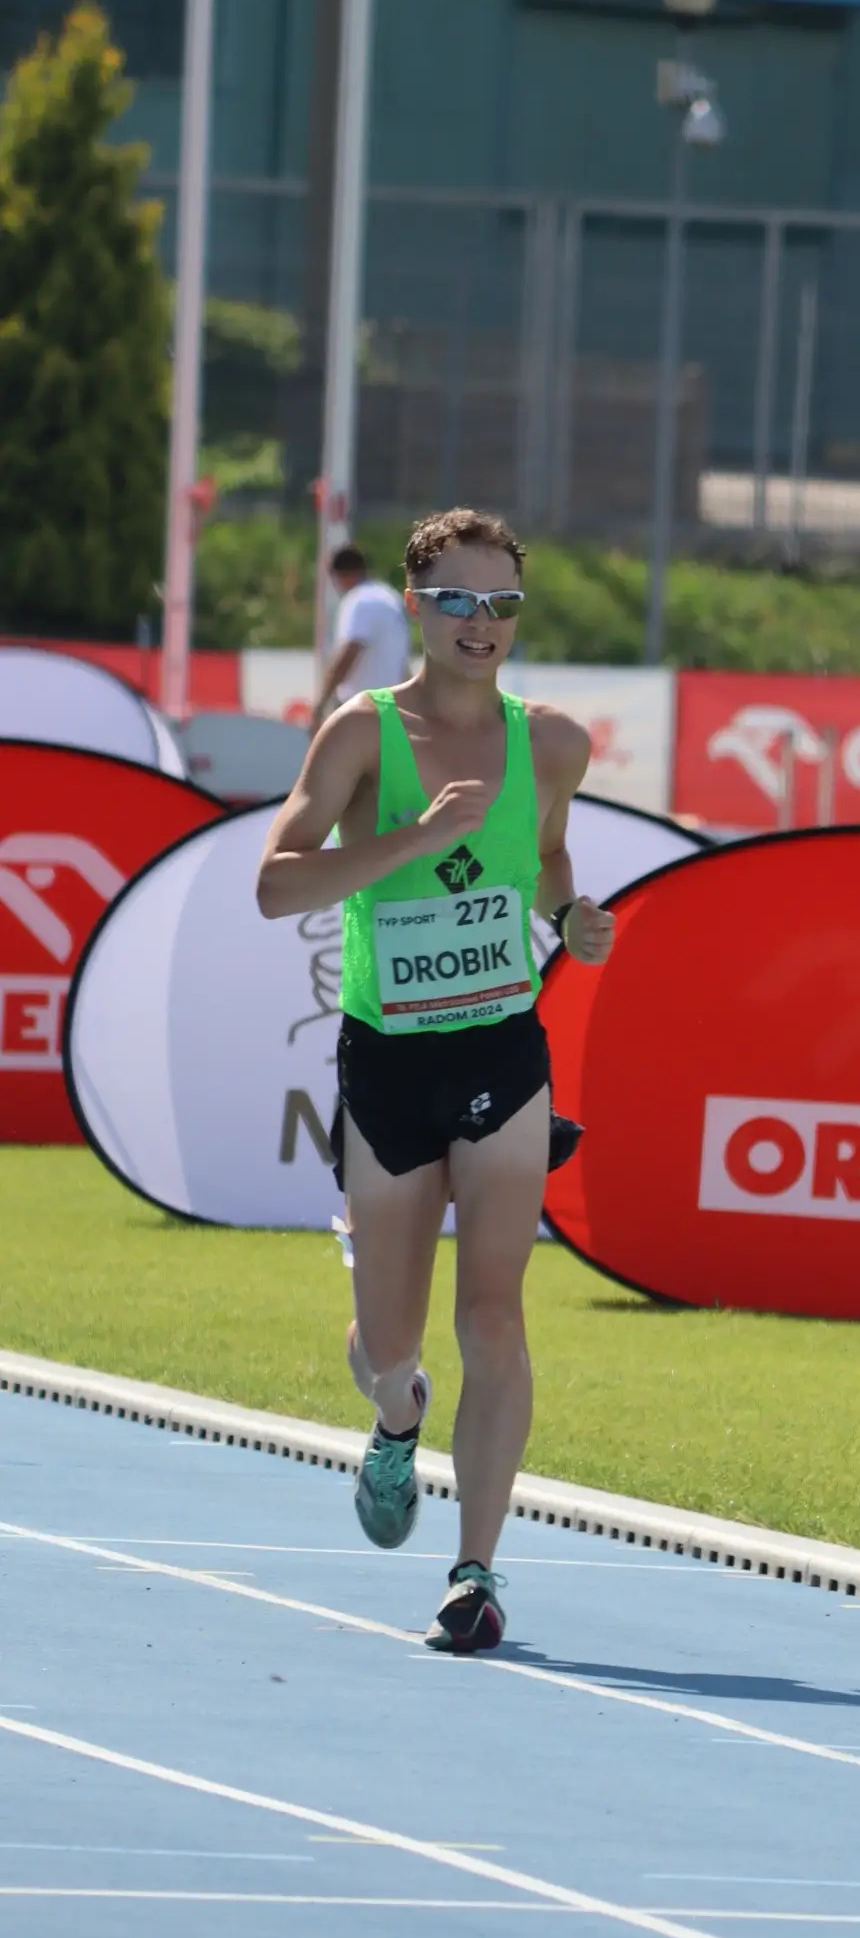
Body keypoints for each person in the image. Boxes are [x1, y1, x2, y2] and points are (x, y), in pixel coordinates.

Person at [257, 507, 614, 1654]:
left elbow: (546, 856)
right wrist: (410, 844)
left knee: (495, 1312)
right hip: (388, 1060)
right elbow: (277, 885)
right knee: (392, 1344)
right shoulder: (363, 736)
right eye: (459, 600)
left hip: (503, 1049)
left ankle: (476, 1575)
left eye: (502, 602)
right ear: (416, 606)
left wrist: (572, 915)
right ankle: (394, 1420)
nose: (482, 623)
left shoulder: (552, 742)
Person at [311, 544, 411, 727]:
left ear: (341, 575)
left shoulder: (359, 601)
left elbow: (349, 652)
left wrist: (321, 703)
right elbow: (401, 661)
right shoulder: (391, 598)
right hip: (393, 706)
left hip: (360, 708)